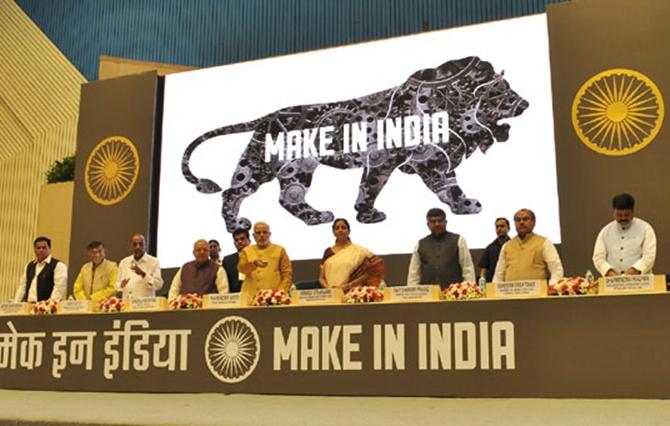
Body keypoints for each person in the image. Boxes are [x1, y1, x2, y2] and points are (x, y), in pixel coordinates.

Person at [407, 208, 475, 289]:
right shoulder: (420, 244)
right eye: (433, 222)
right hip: (428, 294)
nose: (437, 224)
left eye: (440, 221)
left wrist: (469, 289)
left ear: (445, 222)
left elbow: (467, 268)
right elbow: (414, 273)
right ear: (428, 224)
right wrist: (412, 291)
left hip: (453, 294)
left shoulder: (459, 240)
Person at [592, 193, 656, 276]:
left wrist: (628, 275)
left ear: (633, 212)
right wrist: (611, 274)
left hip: (641, 281)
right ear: (613, 213)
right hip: (612, 281)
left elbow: (649, 257)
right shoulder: (606, 231)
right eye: (619, 215)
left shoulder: (645, 228)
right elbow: (598, 258)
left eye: (626, 215)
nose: (623, 218)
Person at [493, 209, 564, 282]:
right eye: (518, 220)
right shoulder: (507, 246)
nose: (521, 222)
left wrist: (552, 289)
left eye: (525, 219)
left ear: (533, 222)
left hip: (538, 293)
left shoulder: (544, 243)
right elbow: (499, 275)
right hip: (509, 292)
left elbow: (556, 270)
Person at [319, 218, 384, 292]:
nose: (340, 230)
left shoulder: (359, 251)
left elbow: (370, 272)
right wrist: (329, 289)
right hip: (332, 295)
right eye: (337, 228)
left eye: (343, 227)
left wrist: (346, 286)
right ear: (333, 232)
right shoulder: (328, 252)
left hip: (352, 293)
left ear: (349, 231)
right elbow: (321, 278)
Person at [238, 222, 292, 294]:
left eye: (265, 232)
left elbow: (287, 275)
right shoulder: (246, 251)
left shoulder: (280, 250)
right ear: (253, 236)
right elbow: (242, 269)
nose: (262, 235)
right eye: (258, 233)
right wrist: (254, 264)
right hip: (249, 296)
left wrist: (280, 293)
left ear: (269, 234)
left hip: (273, 297)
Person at [14, 236, 67, 302]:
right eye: (38, 248)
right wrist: (15, 303)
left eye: (44, 248)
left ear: (49, 249)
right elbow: (22, 286)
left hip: (48, 308)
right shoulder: (29, 266)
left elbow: (59, 289)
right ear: (34, 249)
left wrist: (49, 305)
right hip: (28, 306)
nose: (41, 250)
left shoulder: (59, 266)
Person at [115, 234, 164, 298]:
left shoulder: (154, 262)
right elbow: (117, 285)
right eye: (135, 244)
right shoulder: (124, 262)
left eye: (141, 244)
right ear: (131, 246)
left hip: (146, 305)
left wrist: (143, 274)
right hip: (128, 304)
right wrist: (121, 285)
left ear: (145, 246)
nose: (138, 247)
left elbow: (159, 285)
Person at [479, 217, 511, 283]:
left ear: (508, 229)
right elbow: (484, 269)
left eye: (502, 226)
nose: (499, 229)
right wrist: (482, 285)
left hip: (509, 285)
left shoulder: (514, 246)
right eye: (497, 227)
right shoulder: (490, 248)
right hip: (492, 285)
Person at [222, 229, 251, 293]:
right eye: (236, 240)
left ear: (249, 241)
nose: (239, 241)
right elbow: (225, 282)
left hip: (254, 294)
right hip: (234, 297)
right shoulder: (227, 260)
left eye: (242, 239)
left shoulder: (256, 257)